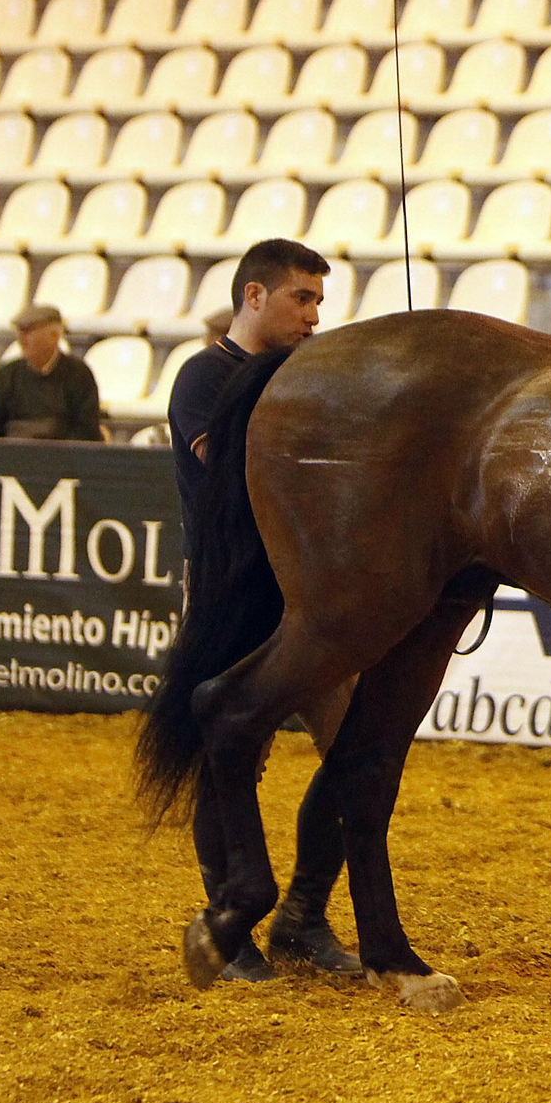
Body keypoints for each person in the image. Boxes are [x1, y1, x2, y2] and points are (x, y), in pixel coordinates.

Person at [167, 238, 360, 981]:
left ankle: (304, 915)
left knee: (355, 752)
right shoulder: (201, 377)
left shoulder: (304, 377)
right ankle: (230, 922)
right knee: (231, 761)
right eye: (301, 298)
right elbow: (242, 479)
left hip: (308, 598)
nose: (315, 314)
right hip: (233, 595)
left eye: (318, 300)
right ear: (254, 296)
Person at [0, 306, 103, 441]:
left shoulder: (79, 374)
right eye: (20, 331)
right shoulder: (7, 374)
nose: (21, 339)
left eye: (29, 331)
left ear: (54, 336)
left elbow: (87, 431)